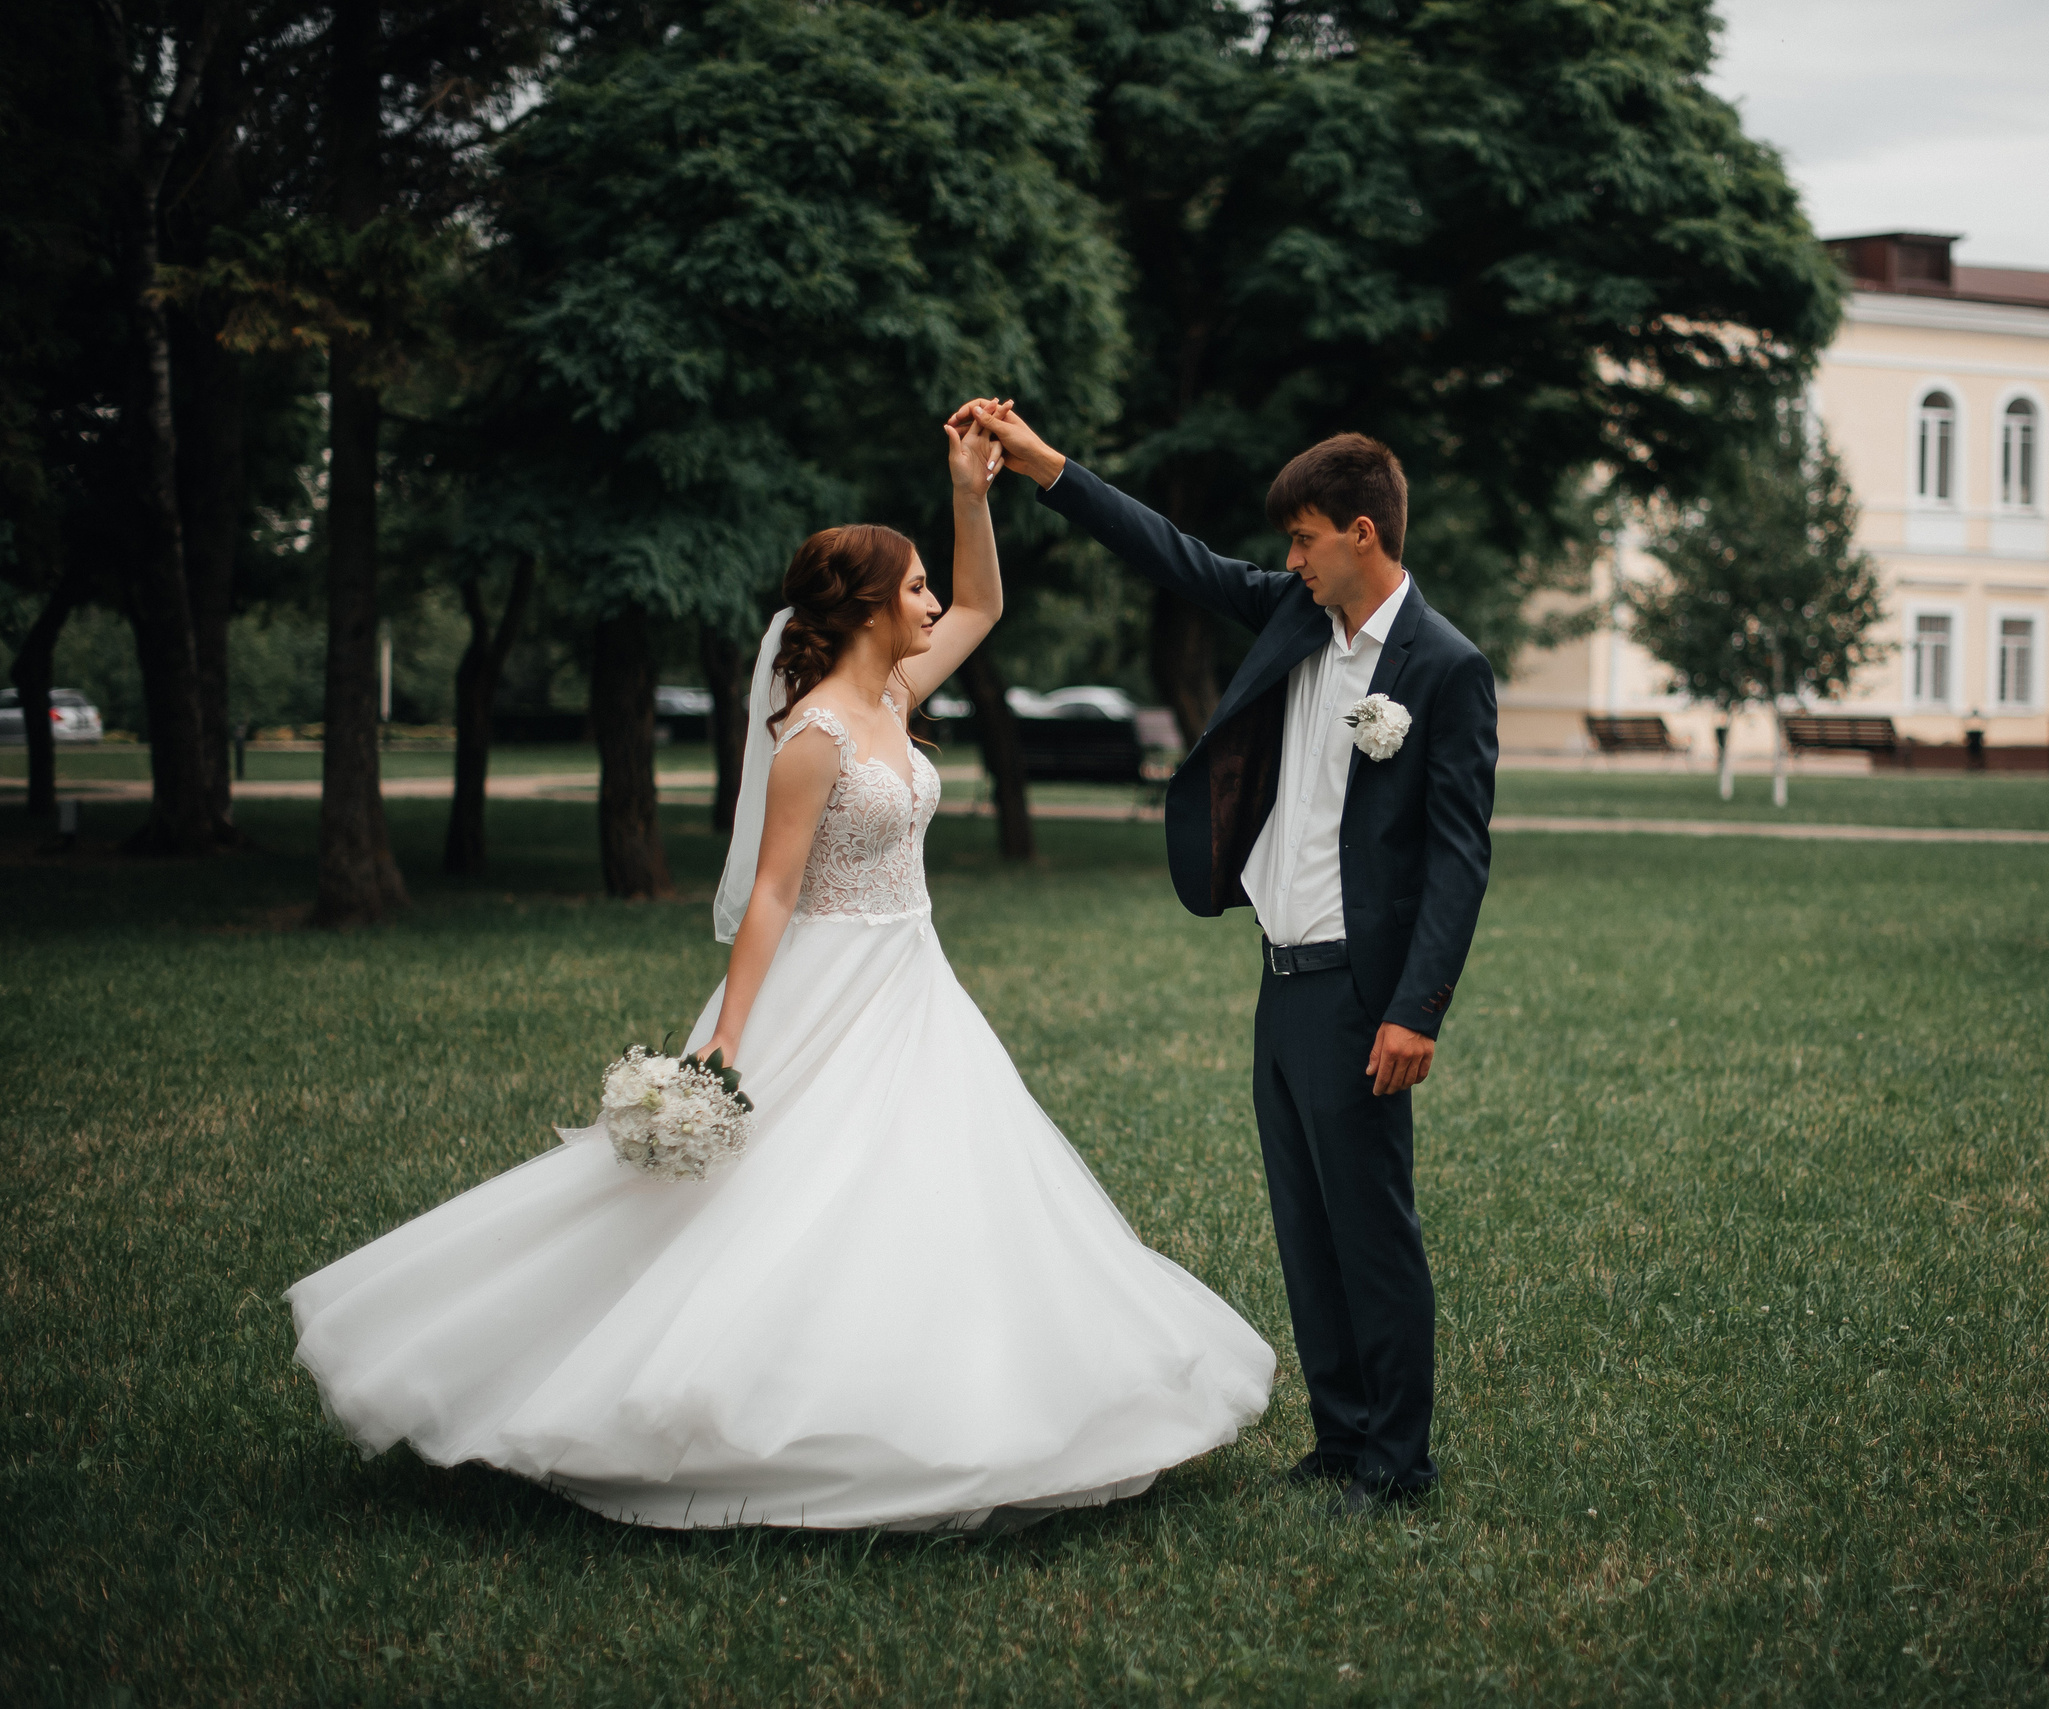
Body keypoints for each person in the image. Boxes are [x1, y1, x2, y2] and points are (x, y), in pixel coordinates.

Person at [284, 412, 1273, 1532]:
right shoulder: (815, 735)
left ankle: (940, 1398)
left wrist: (968, 493)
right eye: (911, 592)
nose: (931, 607)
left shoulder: (894, 699)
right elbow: (769, 892)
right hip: (827, 984)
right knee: (773, 1198)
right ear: (862, 609)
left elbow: (986, 602)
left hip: (914, 979)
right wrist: (724, 1037)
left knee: (931, 1191)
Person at [952, 401, 1497, 1514]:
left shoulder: (1445, 667)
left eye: (1302, 538)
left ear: (1362, 532)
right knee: (1304, 1220)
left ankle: (1400, 1459)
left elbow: (1456, 858)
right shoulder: (1292, 616)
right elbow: (1172, 553)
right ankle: (1340, 1438)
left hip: (1361, 988)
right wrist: (1046, 466)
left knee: (1370, 1226)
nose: (1286, 559)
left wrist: (1416, 1008)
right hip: (1278, 972)